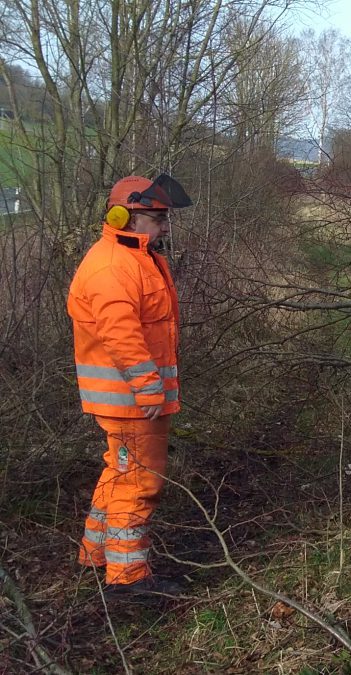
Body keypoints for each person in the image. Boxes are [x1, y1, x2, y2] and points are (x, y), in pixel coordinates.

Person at [70, 173, 193, 598]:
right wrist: (147, 387)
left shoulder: (136, 258)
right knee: (139, 483)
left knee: (119, 472)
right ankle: (128, 578)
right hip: (131, 401)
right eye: (158, 219)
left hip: (130, 399)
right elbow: (120, 334)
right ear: (126, 217)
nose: (165, 227)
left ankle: (95, 554)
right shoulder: (113, 267)